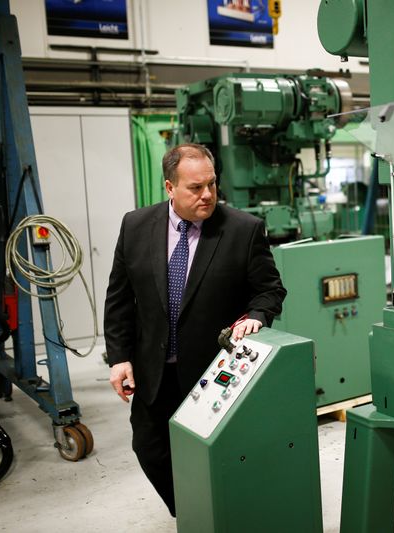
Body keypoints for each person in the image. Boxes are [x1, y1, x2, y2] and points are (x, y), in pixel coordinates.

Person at [104, 143, 286, 516]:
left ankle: (219, 515)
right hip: (154, 370)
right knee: (150, 448)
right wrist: (119, 357)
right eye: (195, 188)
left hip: (214, 370)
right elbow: (120, 298)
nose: (207, 195)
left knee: (218, 451)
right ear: (169, 188)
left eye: (212, 185)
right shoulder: (135, 226)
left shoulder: (242, 230)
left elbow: (270, 289)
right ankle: (189, 510)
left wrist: (257, 314)